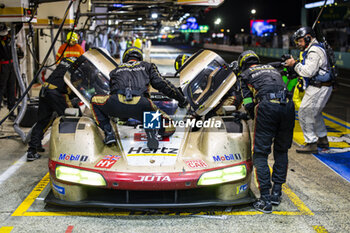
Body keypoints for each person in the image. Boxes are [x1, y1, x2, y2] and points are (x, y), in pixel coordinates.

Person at [91, 47, 187, 149]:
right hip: (142, 105)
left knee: (94, 101)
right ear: (140, 57)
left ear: (125, 58)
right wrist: (181, 99)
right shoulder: (148, 66)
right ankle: (152, 131)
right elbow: (162, 84)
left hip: (117, 103)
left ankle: (109, 132)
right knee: (169, 126)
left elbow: (112, 91)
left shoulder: (115, 70)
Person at [238, 50, 295, 213]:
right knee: (281, 151)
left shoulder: (245, 75)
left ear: (243, 64)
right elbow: (288, 78)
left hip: (268, 107)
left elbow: (248, 102)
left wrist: (248, 114)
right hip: (288, 106)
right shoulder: (272, 68)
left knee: (260, 154)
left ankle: (265, 199)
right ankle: (276, 193)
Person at [285, 27, 332, 153]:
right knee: (315, 113)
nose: (299, 44)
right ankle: (322, 139)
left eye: (300, 41)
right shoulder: (312, 48)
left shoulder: (314, 51)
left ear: (308, 38)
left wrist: (294, 64)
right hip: (321, 85)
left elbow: (308, 72)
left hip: (319, 87)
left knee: (304, 113)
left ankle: (311, 143)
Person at [25, 57, 77, 161]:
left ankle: (33, 149)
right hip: (55, 93)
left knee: (42, 121)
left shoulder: (66, 60)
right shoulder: (77, 67)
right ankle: (69, 149)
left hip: (45, 89)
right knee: (69, 118)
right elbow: (72, 89)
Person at [0, 23, 17, 120]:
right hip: (3, 66)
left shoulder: (9, 38)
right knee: (1, 88)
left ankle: (11, 111)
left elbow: (18, 26)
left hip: (11, 64)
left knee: (11, 88)